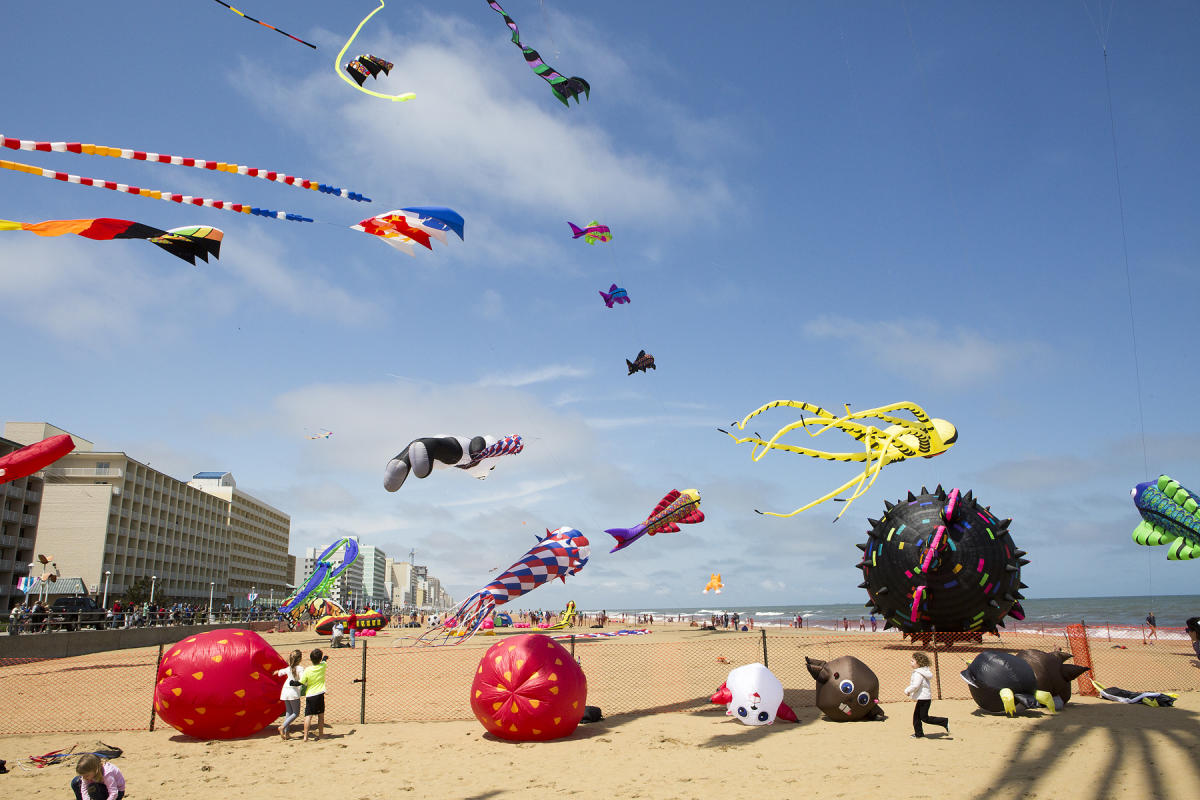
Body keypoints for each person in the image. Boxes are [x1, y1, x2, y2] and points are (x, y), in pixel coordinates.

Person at [904, 652, 948, 738]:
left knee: (924, 718)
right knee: (916, 717)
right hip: (924, 698)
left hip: (924, 699)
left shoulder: (918, 673)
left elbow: (916, 685)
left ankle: (944, 722)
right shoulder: (924, 671)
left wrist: (907, 690)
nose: (911, 662)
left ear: (919, 663)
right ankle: (918, 734)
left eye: (912, 661)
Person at [274, 648, 305, 740]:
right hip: (293, 692)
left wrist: (276, 672)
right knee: (295, 713)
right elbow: (303, 679)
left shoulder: (289, 668)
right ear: (300, 659)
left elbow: (280, 672)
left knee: (289, 712)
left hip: (285, 691)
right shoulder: (300, 668)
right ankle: (282, 727)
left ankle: (286, 733)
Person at [301, 648, 328, 741]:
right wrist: (325, 658)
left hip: (310, 695)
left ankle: (305, 736)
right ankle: (321, 734)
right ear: (320, 659)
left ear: (310, 659)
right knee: (320, 715)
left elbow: (302, 681)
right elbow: (324, 661)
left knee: (308, 715)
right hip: (319, 694)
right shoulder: (322, 666)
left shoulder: (308, 670)